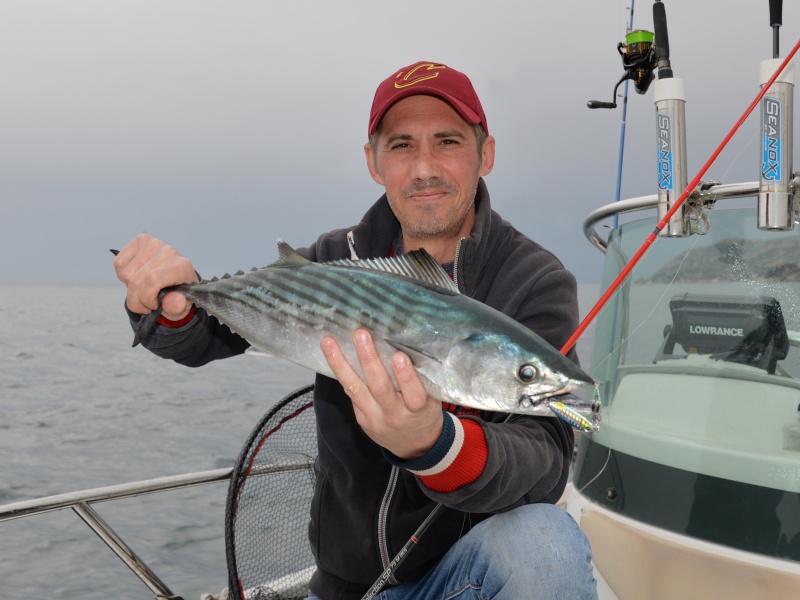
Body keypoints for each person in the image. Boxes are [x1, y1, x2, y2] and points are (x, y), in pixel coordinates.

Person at [114, 60, 598, 599]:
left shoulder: (534, 279)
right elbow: (206, 338)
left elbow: (546, 456)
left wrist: (436, 445)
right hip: (347, 586)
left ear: (486, 154)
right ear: (372, 162)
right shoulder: (331, 260)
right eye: (400, 146)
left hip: (465, 578)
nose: (423, 169)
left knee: (548, 541)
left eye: (447, 142)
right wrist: (173, 307)